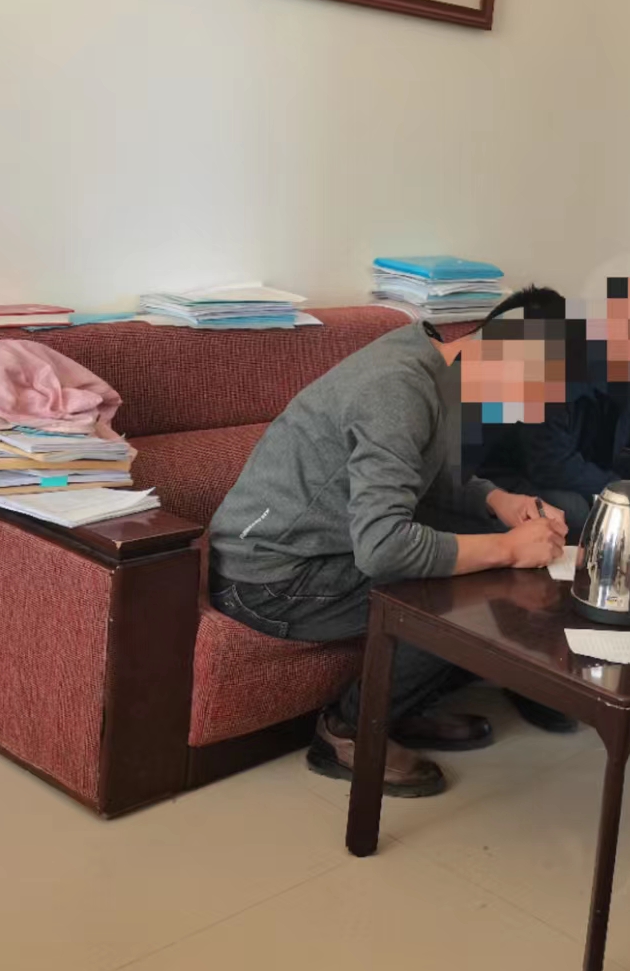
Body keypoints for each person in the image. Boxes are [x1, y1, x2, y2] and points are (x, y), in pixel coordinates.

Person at [207, 289, 571, 799]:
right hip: (269, 578)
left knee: (481, 556)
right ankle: (347, 733)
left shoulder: (431, 362)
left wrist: (497, 501)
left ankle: (398, 710)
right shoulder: (396, 389)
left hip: (324, 548)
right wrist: (510, 548)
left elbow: (419, 472)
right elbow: (383, 548)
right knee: (471, 593)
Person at [477, 277, 630, 538]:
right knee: (574, 512)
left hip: (585, 461)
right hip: (521, 471)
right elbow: (550, 463)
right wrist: (620, 490)